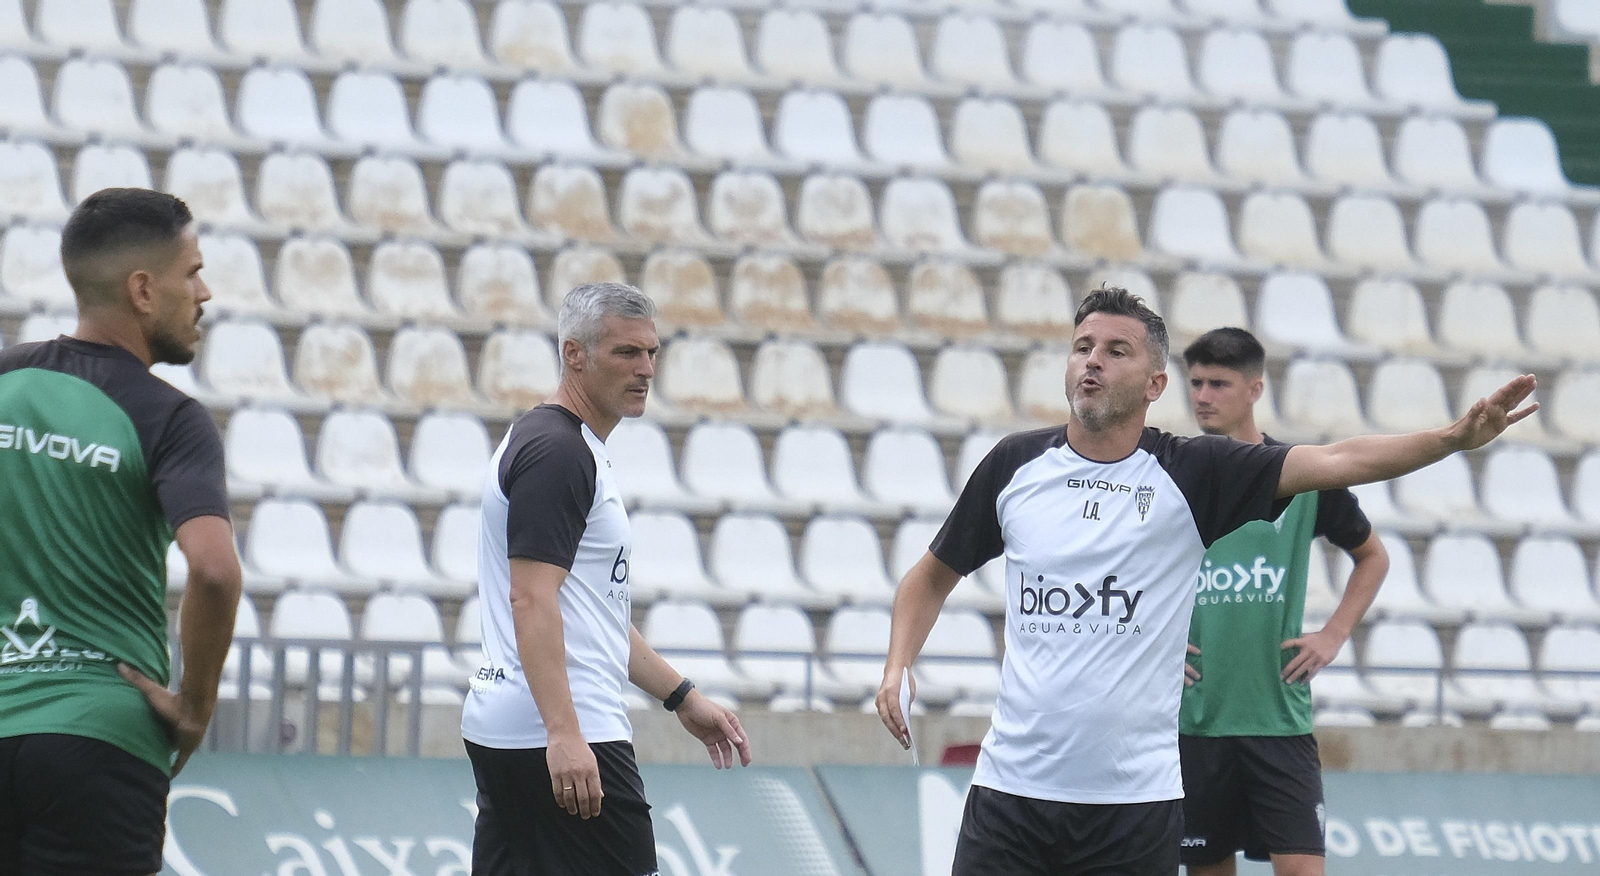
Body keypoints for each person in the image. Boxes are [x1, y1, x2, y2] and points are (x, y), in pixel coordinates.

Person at [874, 287, 1535, 875]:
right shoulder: (1016, 465)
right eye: (1082, 347)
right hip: (1011, 795)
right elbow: (930, 577)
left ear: (1155, 384)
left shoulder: (1196, 471)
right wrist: (896, 665)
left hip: (1133, 808)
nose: (1092, 360)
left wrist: (1450, 438)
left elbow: (1338, 458)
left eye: (1115, 349)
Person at [462, 281, 753, 876]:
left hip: (515, 728)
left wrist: (681, 697)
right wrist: (566, 735)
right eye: (626, 353)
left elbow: (592, 615)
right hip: (569, 732)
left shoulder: (561, 444)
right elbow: (532, 599)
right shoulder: (559, 453)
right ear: (574, 354)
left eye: (652, 353)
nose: (645, 368)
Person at [0, 188, 240, 875]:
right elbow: (216, 570)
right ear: (143, 290)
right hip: (100, 737)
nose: (205, 292)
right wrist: (193, 707)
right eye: (191, 272)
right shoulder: (169, 418)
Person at [1178, 328, 1390, 876]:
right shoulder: (1175, 476)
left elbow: (1373, 557)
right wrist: (1152, 646)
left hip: (1280, 724)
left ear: (1254, 389)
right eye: (1196, 382)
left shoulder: (1302, 476)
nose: (1202, 395)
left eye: (1218, 384)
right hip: (1196, 725)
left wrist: (1334, 634)